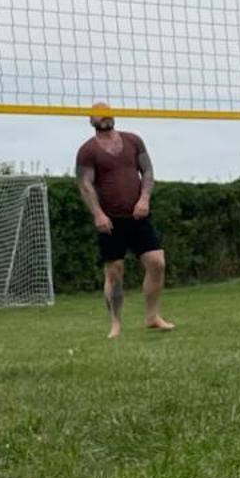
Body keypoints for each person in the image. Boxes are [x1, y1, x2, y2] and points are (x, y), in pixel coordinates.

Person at [75, 105, 175, 339]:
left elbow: (148, 172)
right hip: (110, 220)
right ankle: (115, 324)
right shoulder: (87, 151)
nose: (105, 116)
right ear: (90, 120)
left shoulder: (133, 141)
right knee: (114, 272)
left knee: (157, 262)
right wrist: (98, 214)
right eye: (99, 113)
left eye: (107, 111)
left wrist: (144, 199)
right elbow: (85, 185)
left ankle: (152, 316)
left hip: (138, 215)